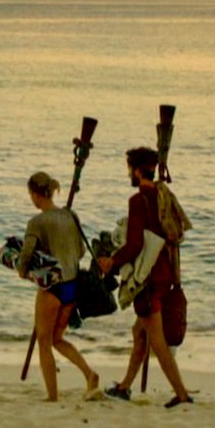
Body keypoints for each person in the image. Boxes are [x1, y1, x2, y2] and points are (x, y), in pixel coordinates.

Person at [97, 147, 194, 407]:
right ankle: (125, 387)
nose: (129, 173)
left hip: (148, 279)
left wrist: (112, 261)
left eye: (130, 168)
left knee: (157, 341)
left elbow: (135, 245)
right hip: (165, 272)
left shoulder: (138, 201)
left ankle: (182, 395)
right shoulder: (164, 195)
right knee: (139, 332)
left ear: (138, 170)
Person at [19, 171, 101, 402]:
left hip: (52, 288)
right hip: (72, 286)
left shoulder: (37, 222)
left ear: (35, 194)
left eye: (31, 195)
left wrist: (22, 272)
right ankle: (90, 374)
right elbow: (81, 251)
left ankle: (52, 396)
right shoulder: (70, 216)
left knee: (44, 342)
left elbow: (26, 254)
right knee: (57, 339)